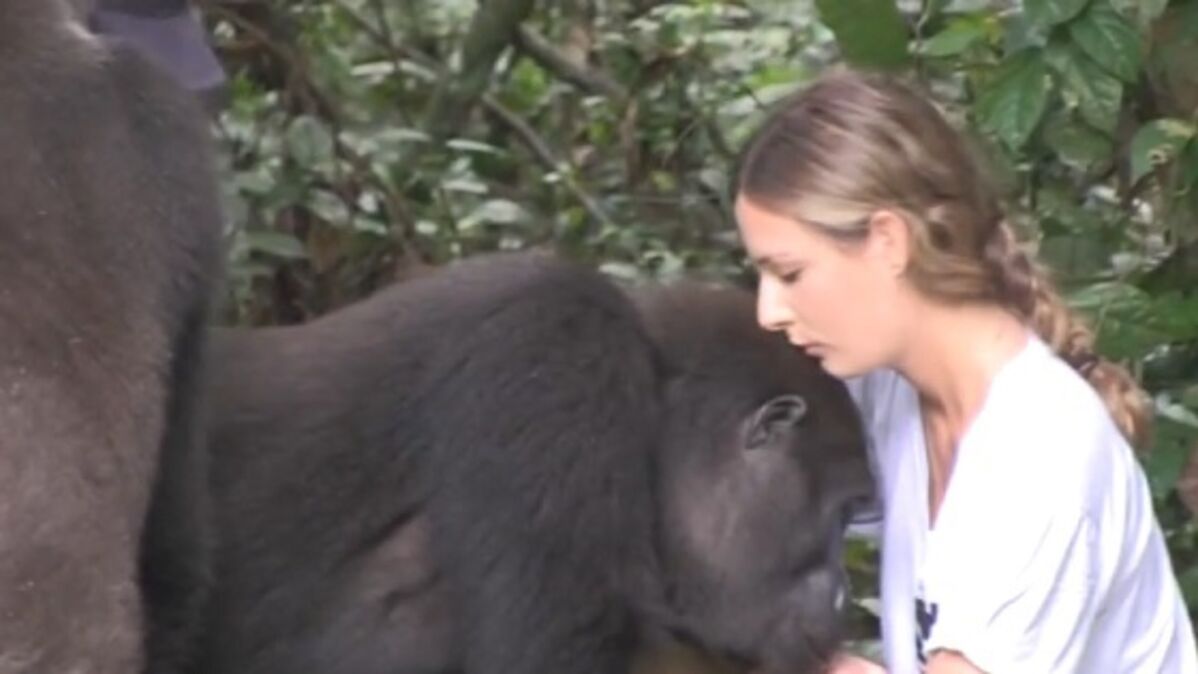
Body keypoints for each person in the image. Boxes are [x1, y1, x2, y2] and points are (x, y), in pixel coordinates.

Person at [731, 67, 1198, 674]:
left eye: (790, 274)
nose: (770, 310)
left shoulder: (1037, 455)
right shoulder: (890, 388)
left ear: (887, 242)